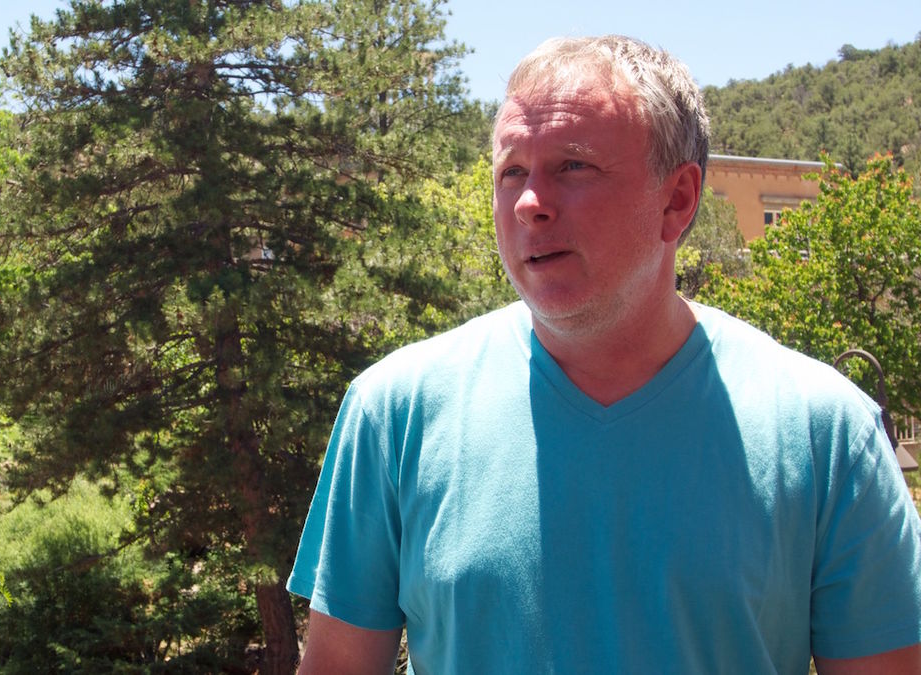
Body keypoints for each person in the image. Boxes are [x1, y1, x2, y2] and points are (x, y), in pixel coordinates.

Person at [286, 35, 921, 674]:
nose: (529, 204)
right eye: (512, 172)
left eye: (573, 166)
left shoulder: (826, 434)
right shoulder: (394, 413)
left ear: (677, 199)